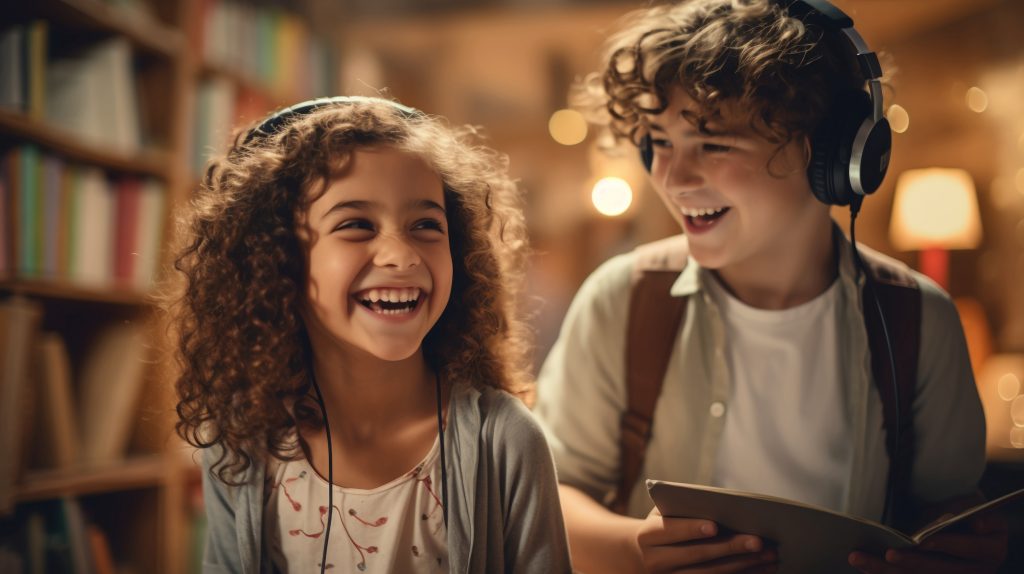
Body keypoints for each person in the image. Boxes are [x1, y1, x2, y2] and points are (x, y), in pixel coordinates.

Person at [532, 1, 1007, 573]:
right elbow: (550, 493)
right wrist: (632, 549)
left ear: (830, 154)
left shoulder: (920, 317)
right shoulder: (624, 299)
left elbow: (948, 509)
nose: (673, 178)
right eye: (658, 141)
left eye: (713, 143)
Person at [165, 96, 572, 573]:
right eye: (356, 225)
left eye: (425, 225)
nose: (401, 256)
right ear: (277, 259)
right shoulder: (241, 442)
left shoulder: (504, 441)